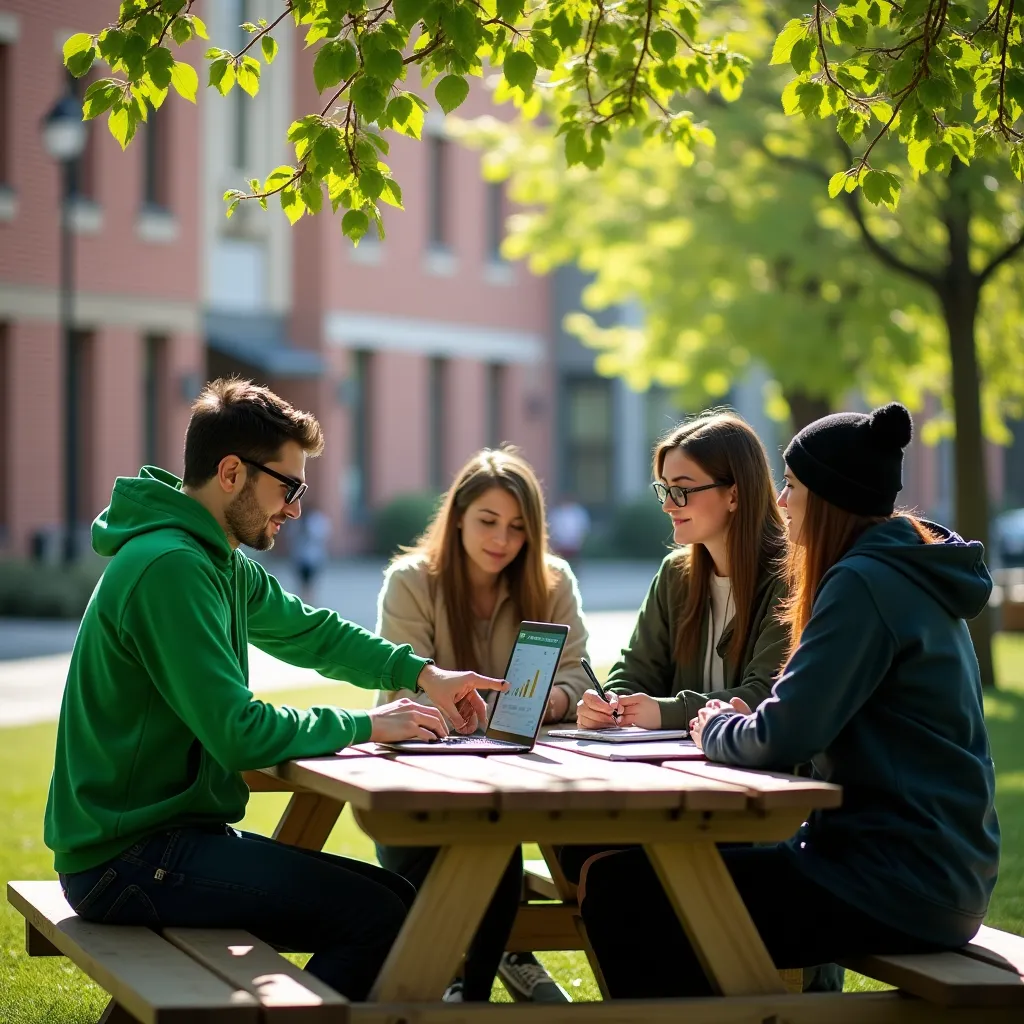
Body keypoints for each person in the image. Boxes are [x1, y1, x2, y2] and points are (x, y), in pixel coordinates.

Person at [44, 378, 508, 1001]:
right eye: (288, 487)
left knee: (396, 900)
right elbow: (238, 733)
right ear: (232, 472)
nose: (294, 509)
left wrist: (425, 675)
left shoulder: (216, 560)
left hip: (165, 841)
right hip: (124, 859)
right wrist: (367, 725)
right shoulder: (171, 567)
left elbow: (312, 633)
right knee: (381, 917)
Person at [579, 402, 1001, 999]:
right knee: (625, 881)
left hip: (894, 880)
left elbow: (784, 732)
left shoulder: (864, 583)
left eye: (793, 486)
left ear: (828, 499)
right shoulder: (899, 571)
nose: (780, 501)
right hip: (931, 872)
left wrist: (717, 726)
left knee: (624, 892)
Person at [373, 446, 590, 1003]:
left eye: (518, 528)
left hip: (518, 776)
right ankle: (473, 975)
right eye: (488, 522)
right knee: (484, 845)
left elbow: (578, 678)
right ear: (458, 517)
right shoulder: (411, 581)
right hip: (419, 777)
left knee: (499, 837)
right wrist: (479, 715)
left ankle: (474, 981)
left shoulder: (551, 579)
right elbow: (405, 687)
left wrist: (552, 705)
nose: (502, 540)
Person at [291, 501, 331, 604]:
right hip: (301, 557)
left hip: (313, 557)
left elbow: (322, 534)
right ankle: (303, 599)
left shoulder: (316, 520)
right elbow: (291, 535)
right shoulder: (297, 521)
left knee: (311, 581)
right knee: (302, 581)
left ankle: (309, 600)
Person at [548, 496, 591, 564]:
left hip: (574, 543)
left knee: (574, 563)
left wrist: (579, 539)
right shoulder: (557, 513)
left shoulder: (578, 512)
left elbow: (583, 527)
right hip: (560, 544)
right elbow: (553, 527)